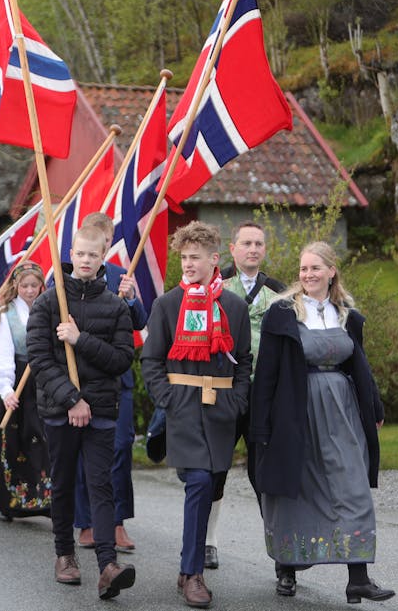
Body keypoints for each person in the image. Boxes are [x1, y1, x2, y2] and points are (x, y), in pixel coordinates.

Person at [250, 242, 394, 603]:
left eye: (315, 268)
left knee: (353, 487)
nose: (308, 274)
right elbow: (266, 374)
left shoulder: (346, 314)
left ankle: (358, 578)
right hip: (295, 412)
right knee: (295, 490)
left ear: (332, 271)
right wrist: (260, 428)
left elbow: (360, 365)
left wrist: (374, 407)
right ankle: (287, 568)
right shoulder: (282, 314)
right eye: (303, 268)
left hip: (342, 413)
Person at [141, 221, 251, 609]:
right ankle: (193, 573)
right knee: (200, 481)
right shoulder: (167, 305)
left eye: (196, 257)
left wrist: (237, 401)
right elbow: (151, 360)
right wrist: (169, 399)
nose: (188, 264)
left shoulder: (234, 307)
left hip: (221, 411)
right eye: (184, 257)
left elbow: (244, 361)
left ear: (214, 259)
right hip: (183, 409)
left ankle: (187, 569)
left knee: (211, 484)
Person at [26, 225, 136, 598]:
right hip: (60, 410)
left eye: (94, 254)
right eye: (81, 253)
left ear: (104, 256)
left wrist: (80, 339)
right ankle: (64, 555)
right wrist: (72, 399)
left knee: (101, 485)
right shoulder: (48, 302)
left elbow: (121, 359)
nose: (86, 260)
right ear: (71, 254)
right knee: (63, 482)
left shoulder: (116, 306)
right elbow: (40, 359)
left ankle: (108, 565)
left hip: (101, 410)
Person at [203, 220, 285, 569]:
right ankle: (208, 542)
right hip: (226, 390)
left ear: (264, 250)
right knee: (216, 469)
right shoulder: (214, 286)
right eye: (246, 243)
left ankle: (281, 552)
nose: (253, 249)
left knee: (265, 474)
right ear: (232, 249)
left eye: (258, 244)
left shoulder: (279, 293)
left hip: (264, 396)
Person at [72, 213, 149, 551]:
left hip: (117, 379)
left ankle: (116, 522)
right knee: (82, 451)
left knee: (119, 448)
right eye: (90, 243)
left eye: (104, 242)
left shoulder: (121, 275)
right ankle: (86, 521)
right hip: (79, 376)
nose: (95, 250)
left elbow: (140, 321)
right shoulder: (65, 279)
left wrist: (131, 299)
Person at [0, 260, 52, 521]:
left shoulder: (49, 309)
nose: (29, 290)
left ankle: (45, 499)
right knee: (13, 439)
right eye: (25, 285)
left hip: (44, 379)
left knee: (43, 438)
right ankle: (12, 501)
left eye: (34, 285)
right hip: (18, 381)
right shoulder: (5, 314)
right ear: (15, 286)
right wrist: (6, 389)